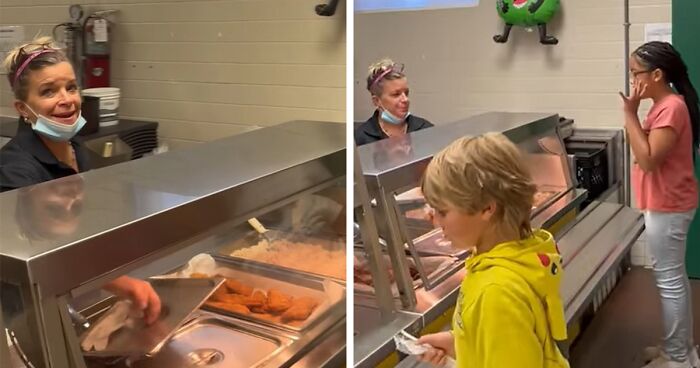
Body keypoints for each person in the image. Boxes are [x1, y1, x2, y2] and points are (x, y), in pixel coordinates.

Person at [0, 37, 161, 324]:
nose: (66, 100)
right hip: (28, 311)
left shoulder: (77, 149)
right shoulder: (14, 169)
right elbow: (38, 250)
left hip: (74, 289)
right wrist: (119, 282)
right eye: (48, 91)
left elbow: (79, 227)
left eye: (71, 87)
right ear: (23, 109)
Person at [415, 133, 569, 368]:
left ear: (487, 208)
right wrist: (462, 344)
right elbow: (511, 343)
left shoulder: (496, 292)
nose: (435, 221)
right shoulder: (519, 256)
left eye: (443, 211)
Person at [620, 41, 700, 368]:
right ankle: (679, 349)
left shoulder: (671, 108)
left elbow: (649, 160)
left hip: (668, 206)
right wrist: (635, 115)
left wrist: (628, 114)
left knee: (669, 282)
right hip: (665, 203)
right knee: (674, 279)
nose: (632, 80)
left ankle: (678, 359)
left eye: (635, 73)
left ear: (656, 74)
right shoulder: (662, 105)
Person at [354, 58, 433, 146]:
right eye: (396, 94)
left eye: (406, 93)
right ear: (376, 101)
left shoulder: (425, 130)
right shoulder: (361, 138)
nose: (405, 99)